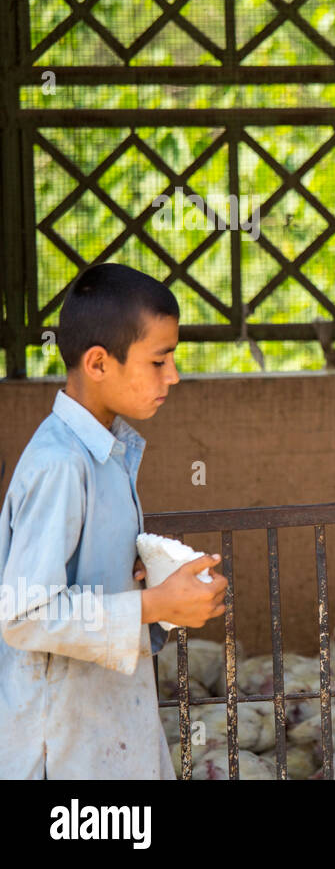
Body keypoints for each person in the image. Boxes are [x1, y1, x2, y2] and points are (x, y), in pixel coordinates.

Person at [0, 263, 227, 778]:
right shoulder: (61, 463)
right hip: (58, 751)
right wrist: (149, 604)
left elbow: (92, 592)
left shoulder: (107, 452)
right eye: (159, 359)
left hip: (101, 734)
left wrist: (158, 591)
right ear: (99, 362)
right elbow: (23, 615)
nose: (173, 374)